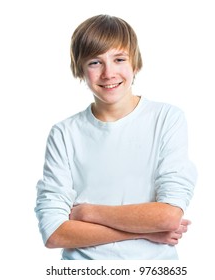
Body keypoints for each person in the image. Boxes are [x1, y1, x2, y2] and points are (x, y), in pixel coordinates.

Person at [35, 14, 197, 260]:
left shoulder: (166, 119)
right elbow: (54, 233)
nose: (108, 73)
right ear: (80, 69)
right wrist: (143, 232)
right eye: (94, 62)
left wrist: (87, 213)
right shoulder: (64, 134)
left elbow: (168, 217)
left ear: (136, 64)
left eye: (119, 59)